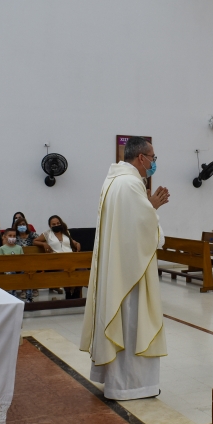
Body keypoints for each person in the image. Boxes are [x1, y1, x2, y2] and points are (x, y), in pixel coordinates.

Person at [80, 136, 169, 400]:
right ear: (141, 157)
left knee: (124, 322)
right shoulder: (130, 184)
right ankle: (131, 385)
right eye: (152, 157)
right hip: (130, 274)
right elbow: (144, 232)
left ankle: (113, 379)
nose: (154, 163)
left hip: (119, 267)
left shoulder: (113, 181)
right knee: (132, 325)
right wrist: (152, 208)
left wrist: (148, 208)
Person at [0, 227, 33, 302]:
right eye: (10, 236)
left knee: (28, 273)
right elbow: (0, 261)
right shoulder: (2, 248)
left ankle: (29, 296)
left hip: (19, 268)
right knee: (11, 273)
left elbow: (22, 260)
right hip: (8, 269)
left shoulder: (19, 247)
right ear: (5, 237)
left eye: (14, 236)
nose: (12, 237)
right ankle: (13, 294)